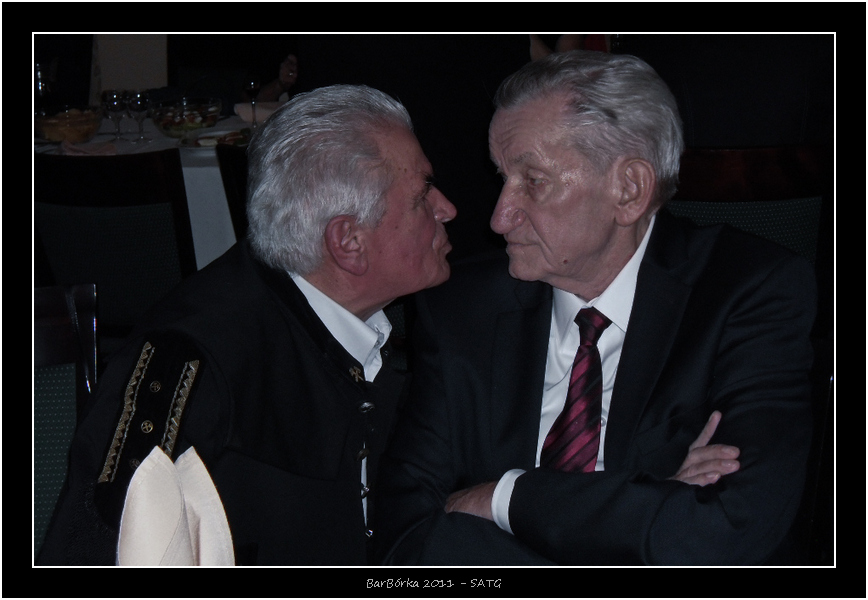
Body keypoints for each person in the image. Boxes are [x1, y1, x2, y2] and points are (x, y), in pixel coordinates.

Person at [376, 50, 816, 565]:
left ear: (629, 189)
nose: (498, 217)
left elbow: (730, 530)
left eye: (533, 181)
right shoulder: (461, 308)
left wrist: (504, 498)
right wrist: (650, 502)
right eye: (502, 177)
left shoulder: (749, 294)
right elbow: (405, 540)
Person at [37, 84, 457, 566]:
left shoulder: (401, 324)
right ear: (348, 243)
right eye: (422, 196)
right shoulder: (192, 368)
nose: (446, 208)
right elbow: (96, 551)